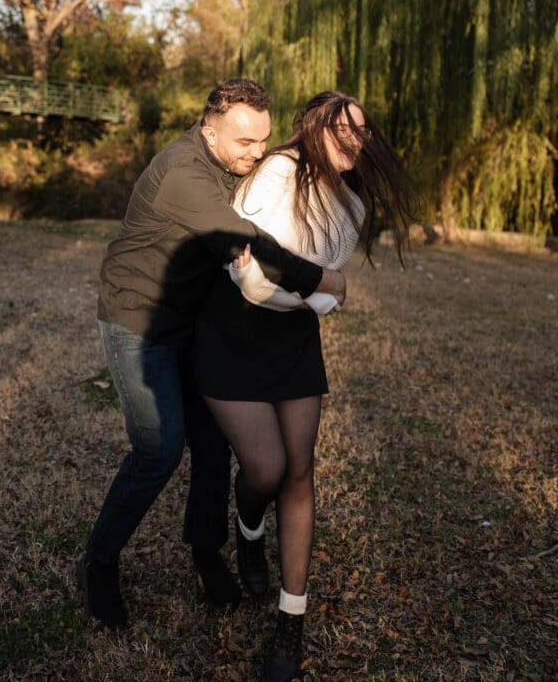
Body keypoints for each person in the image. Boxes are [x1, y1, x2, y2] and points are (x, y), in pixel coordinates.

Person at [77, 79, 347, 628]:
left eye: (263, 139)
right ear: (209, 131)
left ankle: (206, 551)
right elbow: (248, 240)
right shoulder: (184, 173)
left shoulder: (241, 162)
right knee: (159, 450)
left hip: (195, 322)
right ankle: (98, 561)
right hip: (139, 320)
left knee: (213, 447)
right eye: (245, 142)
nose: (257, 152)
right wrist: (325, 279)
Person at [195, 91, 416, 682]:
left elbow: (321, 296)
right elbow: (249, 281)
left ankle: (290, 620)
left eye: (362, 131)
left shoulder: (352, 205)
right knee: (264, 470)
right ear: (314, 129)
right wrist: (319, 292)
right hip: (231, 335)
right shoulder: (276, 172)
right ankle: (249, 529)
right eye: (343, 130)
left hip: (293, 345)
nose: (355, 141)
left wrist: (316, 295)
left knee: (299, 470)